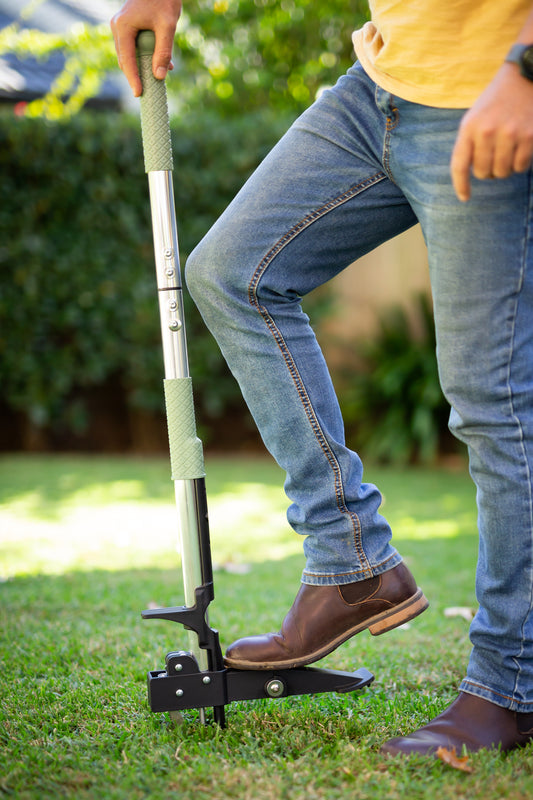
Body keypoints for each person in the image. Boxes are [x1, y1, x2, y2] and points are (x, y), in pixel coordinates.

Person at [111, 0, 533, 757]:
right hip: (377, 85)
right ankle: (350, 562)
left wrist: (524, 69)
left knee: (494, 403)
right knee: (232, 273)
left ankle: (510, 685)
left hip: (489, 89)